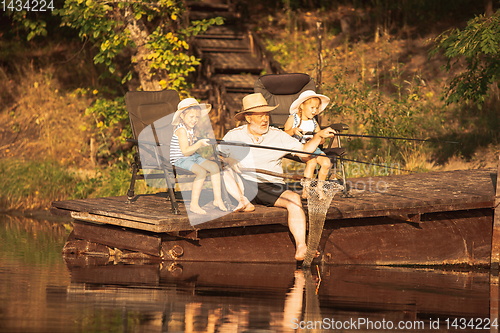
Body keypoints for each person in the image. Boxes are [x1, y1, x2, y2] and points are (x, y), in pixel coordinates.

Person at [218, 93, 336, 261]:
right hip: (242, 184)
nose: (264, 119)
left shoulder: (278, 135)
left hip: (270, 185)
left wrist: (318, 137)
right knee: (226, 171)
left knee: (294, 199)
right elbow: (218, 156)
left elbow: (304, 151)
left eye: (266, 114)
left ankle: (302, 247)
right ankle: (243, 202)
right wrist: (228, 159)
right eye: (259, 115)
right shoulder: (233, 135)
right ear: (248, 118)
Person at [169, 98, 228, 215]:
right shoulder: (181, 130)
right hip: (180, 159)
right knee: (201, 172)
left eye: (197, 117)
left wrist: (199, 141)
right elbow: (185, 152)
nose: (194, 120)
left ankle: (217, 199)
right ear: (182, 116)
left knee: (214, 166)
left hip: (192, 156)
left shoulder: (191, 129)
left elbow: (191, 148)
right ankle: (193, 204)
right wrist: (198, 144)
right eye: (191, 117)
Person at [284, 90, 333, 198]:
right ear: (302, 106)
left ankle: (319, 189)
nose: (314, 111)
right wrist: (292, 131)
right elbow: (283, 134)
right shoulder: (293, 118)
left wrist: (319, 138)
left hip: (314, 148)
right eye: (312, 108)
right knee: (312, 162)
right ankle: (306, 190)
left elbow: (321, 139)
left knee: (326, 163)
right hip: (299, 148)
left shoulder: (313, 122)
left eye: (316, 108)